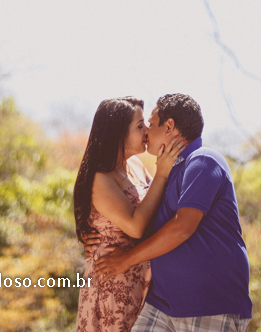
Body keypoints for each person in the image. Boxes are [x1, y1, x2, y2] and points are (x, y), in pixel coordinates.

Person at [95, 94, 252, 332]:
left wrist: (124, 261)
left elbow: (181, 228)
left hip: (210, 304)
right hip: (161, 305)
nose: (146, 130)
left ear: (169, 126)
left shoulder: (203, 161)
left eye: (151, 123)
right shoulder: (164, 175)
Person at [74, 96, 186, 332]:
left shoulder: (135, 166)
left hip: (143, 279)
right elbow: (135, 226)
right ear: (118, 134)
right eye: (139, 125)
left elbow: (155, 211)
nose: (147, 129)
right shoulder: (101, 179)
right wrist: (162, 174)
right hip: (113, 284)